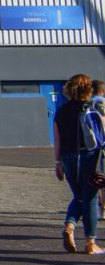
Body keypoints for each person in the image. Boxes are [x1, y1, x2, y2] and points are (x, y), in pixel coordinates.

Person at [54, 74, 103, 254]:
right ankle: (90, 242)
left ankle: (70, 226)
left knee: (79, 196)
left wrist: (57, 163)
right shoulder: (91, 109)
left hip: (67, 158)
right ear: (88, 89)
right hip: (89, 156)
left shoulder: (61, 111)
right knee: (90, 198)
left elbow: (57, 140)